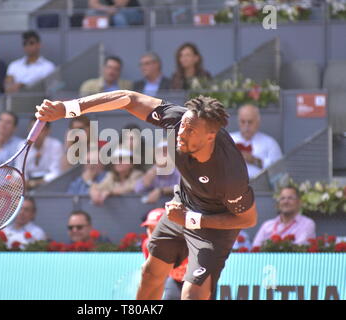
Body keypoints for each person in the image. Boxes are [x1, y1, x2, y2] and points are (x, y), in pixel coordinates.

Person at [35, 90, 258, 300]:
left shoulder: (230, 175)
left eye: (190, 130)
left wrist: (192, 220)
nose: (181, 132)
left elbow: (248, 219)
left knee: (193, 294)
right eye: (182, 126)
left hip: (213, 225)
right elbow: (129, 98)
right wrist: (68, 108)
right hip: (183, 205)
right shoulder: (180, 121)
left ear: (210, 137)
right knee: (150, 273)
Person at [140, 208, 188, 300]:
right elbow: (154, 274)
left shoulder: (185, 244)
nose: (151, 232)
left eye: (155, 228)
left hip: (198, 282)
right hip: (175, 280)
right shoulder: (147, 245)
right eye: (149, 228)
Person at [229, 104, 283, 179]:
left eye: (250, 122)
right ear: (238, 122)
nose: (246, 126)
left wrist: (255, 161)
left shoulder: (269, 143)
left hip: (260, 185)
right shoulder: (228, 139)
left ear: (258, 122)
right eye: (243, 122)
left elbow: (278, 170)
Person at [16, 118, 63, 190]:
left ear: (48, 131)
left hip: (49, 186)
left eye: (40, 130)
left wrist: (35, 183)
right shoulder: (22, 146)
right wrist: (25, 183)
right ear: (29, 131)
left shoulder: (56, 145)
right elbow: (19, 170)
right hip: (25, 186)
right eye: (33, 130)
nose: (36, 134)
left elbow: (56, 173)